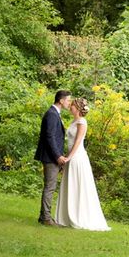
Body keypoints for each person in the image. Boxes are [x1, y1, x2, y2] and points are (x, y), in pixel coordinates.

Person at [55, 97, 110, 231]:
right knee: (70, 185)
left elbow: (78, 141)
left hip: (77, 157)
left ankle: (79, 216)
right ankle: (66, 216)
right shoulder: (74, 121)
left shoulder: (82, 122)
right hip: (71, 157)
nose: (70, 107)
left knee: (78, 185)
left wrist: (69, 157)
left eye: (72, 105)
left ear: (78, 108)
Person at [34, 90, 71, 226]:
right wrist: (58, 156)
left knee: (50, 186)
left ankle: (43, 216)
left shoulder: (55, 113)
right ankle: (46, 219)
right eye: (68, 100)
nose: (69, 103)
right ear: (61, 101)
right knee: (49, 187)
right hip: (50, 157)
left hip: (52, 156)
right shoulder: (51, 114)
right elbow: (49, 137)